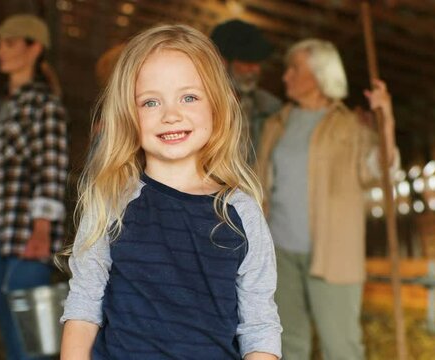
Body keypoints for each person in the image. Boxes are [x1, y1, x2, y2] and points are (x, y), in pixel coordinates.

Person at [60, 24, 281, 360]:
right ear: (128, 115)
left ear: (216, 107)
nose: (171, 115)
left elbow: (259, 324)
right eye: (150, 102)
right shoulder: (112, 201)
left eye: (189, 97)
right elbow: (84, 303)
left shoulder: (239, 212)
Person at [255, 39, 399, 359]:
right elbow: (261, 183)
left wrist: (386, 120)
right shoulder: (276, 125)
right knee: (287, 344)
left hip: (333, 254)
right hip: (279, 253)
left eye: (295, 69)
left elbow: (380, 169)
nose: (285, 76)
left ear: (320, 75)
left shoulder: (349, 126)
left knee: (340, 347)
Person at [0, 14, 69, 360]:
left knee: (33, 340)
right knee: (10, 330)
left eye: (9, 43)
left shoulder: (45, 105)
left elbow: (52, 170)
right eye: (0, 43)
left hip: (27, 235)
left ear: (34, 48)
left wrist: (41, 230)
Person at [210, 19, 282, 161]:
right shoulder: (197, 103)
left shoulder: (270, 107)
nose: (255, 69)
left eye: (258, 62)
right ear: (222, 61)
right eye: (247, 62)